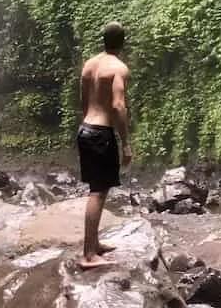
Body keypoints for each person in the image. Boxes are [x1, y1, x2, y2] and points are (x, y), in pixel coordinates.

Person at [76, 21, 132, 268]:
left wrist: (86, 127)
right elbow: (118, 106)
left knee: (97, 189)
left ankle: (94, 244)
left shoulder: (90, 64)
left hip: (86, 128)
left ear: (103, 40)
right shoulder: (118, 68)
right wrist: (126, 143)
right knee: (98, 193)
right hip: (101, 133)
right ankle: (89, 255)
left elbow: (83, 99)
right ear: (123, 42)